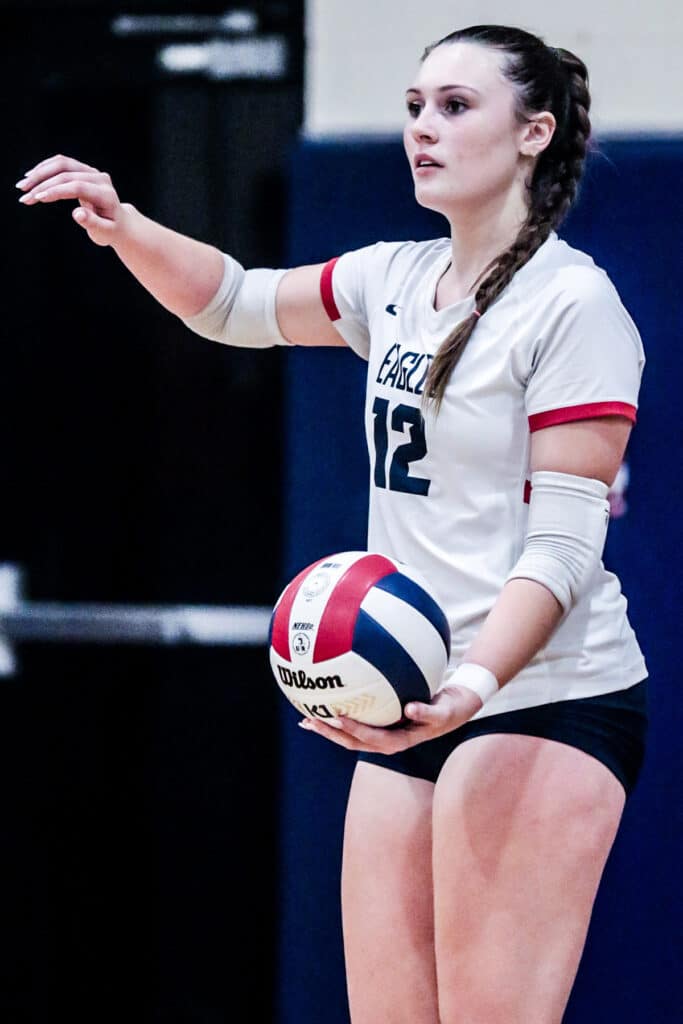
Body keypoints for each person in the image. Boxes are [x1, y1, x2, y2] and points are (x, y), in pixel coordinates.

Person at [18, 24, 648, 1023]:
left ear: (532, 133)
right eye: (410, 108)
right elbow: (231, 302)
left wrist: (475, 681)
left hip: (541, 693)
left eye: (453, 106)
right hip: (410, 694)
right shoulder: (390, 279)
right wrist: (123, 222)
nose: (421, 130)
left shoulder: (571, 305)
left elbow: (565, 547)